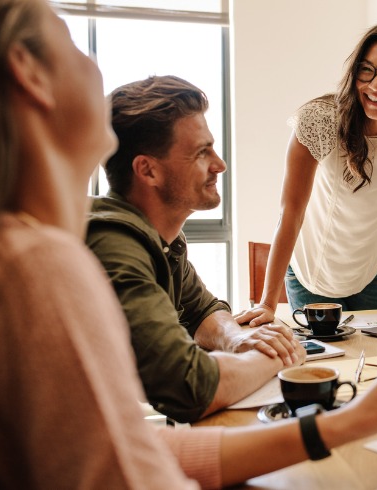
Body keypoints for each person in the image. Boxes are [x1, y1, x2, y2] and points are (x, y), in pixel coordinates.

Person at [0, 1, 377, 488]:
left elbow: (137, 448)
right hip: (312, 277)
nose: (222, 164)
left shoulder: (145, 244)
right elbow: (180, 401)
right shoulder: (44, 262)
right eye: (69, 39)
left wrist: (344, 421)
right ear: (29, 74)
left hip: (364, 273)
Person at [84, 75, 305, 423]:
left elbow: (200, 310)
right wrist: (276, 357)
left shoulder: (161, 237)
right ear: (148, 170)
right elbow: (187, 387)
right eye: (202, 153)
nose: (220, 165)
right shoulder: (115, 246)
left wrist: (238, 339)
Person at [239, 21, 377, 327]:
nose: (376, 85)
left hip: (372, 275)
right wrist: (268, 302)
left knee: (371, 364)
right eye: (367, 70)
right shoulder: (320, 120)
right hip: (313, 277)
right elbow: (291, 211)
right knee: (326, 362)